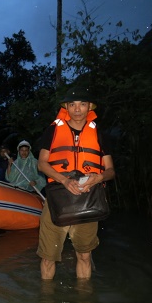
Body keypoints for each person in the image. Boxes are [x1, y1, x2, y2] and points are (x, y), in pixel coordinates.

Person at [36, 87, 115, 280]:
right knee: (48, 258)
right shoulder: (53, 130)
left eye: (82, 104)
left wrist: (99, 178)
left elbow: (111, 171)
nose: (77, 109)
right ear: (66, 108)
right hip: (57, 199)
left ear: (89, 107)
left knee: (85, 256)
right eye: (72, 104)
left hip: (89, 200)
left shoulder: (98, 134)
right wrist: (64, 180)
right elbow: (41, 163)